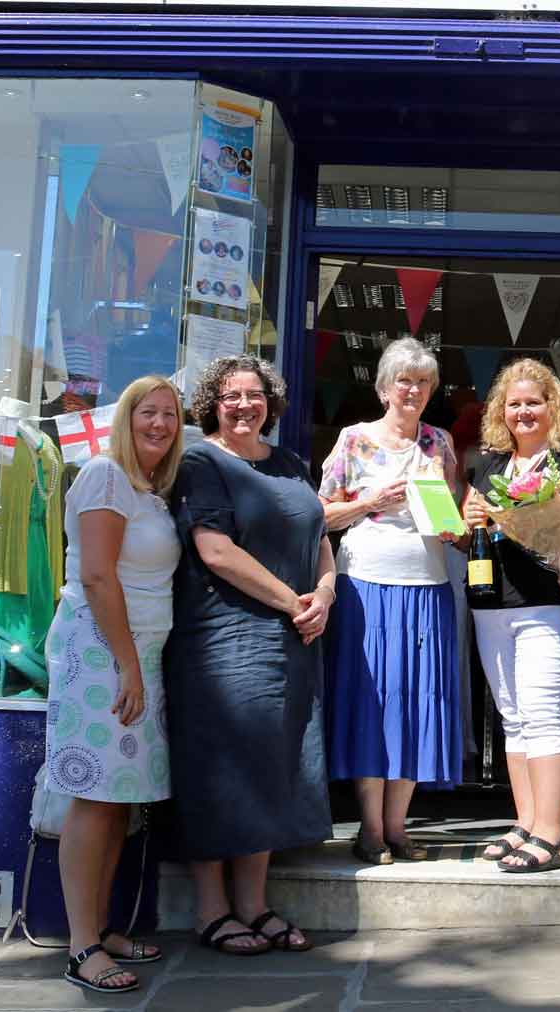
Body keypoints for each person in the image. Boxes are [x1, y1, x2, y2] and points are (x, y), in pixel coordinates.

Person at [165, 355, 335, 956]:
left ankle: (254, 904)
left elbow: (319, 540)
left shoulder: (289, 463)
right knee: (221, 768)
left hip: (292, 636)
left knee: (269, 766)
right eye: (232, 395)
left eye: (255, 394)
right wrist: (295, 602)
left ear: (271, 402)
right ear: (213, 402)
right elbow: (214, 550)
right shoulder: (200, 461)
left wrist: (327, 592)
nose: (244, 405)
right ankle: (213, 911)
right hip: (224, 640)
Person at [45, 376, 184, 994]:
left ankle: (100, 929)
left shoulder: (148, 491)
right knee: (95, 797)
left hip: (138, 653)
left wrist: (140, 662)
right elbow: (98, 578)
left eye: (169, 416)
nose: (159, 425)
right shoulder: (104, 474)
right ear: (124, 419)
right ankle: (81, 947)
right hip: (103, 652)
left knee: (118, 796)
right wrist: (128, 664)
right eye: (146, 414)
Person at [320, 336, 463, 864]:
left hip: (427, 588)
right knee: (373, 703)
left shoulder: (440, 443)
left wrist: (455, 529)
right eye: (404, 380)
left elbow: (456, 519)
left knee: (416, 705)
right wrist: (371, 501)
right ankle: (370, 828)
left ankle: (399, 827)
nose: (413, 389)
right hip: (365, 588)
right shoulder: (354, 439)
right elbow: (319, 514)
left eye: (423, 381)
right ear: (384, 388)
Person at [460, 358, 560, 873]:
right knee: (513, 718)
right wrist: (468, 517)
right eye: (513, 403)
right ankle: (526, 821)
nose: (523, 412)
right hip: (493, 604)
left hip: (550, 603)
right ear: (502, 410)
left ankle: (552, 832)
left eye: (533, 402)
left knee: (542, 714)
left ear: (552, 407)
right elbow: (463, 528)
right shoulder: (490, 463)